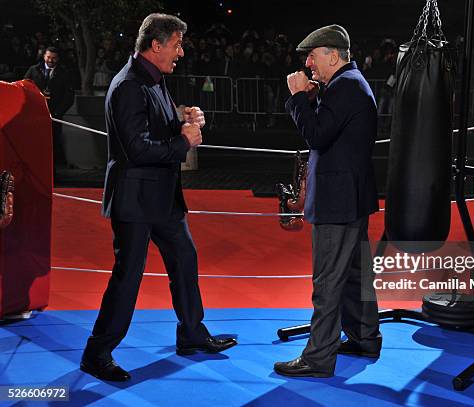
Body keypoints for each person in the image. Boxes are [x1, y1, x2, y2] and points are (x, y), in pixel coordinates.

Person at [80, 13, 236, 382]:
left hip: (162, 198)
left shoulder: (152, 79)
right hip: (135, 201)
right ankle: (96, 353)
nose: (180, 52)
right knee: (128, 278)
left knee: (185, 258)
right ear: (156, 44)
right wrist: (183, 141)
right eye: (177, 44)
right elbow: (136, 148)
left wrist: (184, 116)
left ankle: (192, 334)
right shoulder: (129, 85)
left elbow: (154, 126)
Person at [274, 24, 381, 378]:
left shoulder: (346, 87)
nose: (307, 63)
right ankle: (365, 337)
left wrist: (295, 97)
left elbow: (317, 134)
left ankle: (318, 358)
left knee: (328, 282)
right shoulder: (347, 84)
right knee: (353, 276)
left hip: (338, 202)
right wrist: (313, 96)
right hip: (349, 198)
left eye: (313, 55)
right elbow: (333, 129)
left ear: (333, 55)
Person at [24, 46, 74, 174]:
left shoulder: (64, 73)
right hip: (34, 116)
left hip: (54, 116)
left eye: (54, 58)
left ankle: (51, 174)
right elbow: (24, 88)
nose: (51, 60)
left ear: (58, 59)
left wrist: (57, 113)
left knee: (52, 146)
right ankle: (33, 172)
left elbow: (69, 96)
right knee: (33, 144)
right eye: (48, 57)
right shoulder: (33, 70)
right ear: (44, 56)